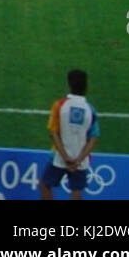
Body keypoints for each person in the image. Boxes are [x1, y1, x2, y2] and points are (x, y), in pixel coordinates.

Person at [39, 69, 99, 201]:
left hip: (60, 157)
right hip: (80, 160)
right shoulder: (90, 109)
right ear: (86, 86)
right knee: (76, 191)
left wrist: (65, 157)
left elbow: (53, 132)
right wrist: (78, 160)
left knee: (44, 185)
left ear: (69, 84)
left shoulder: (59, 105)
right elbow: (93, 138)